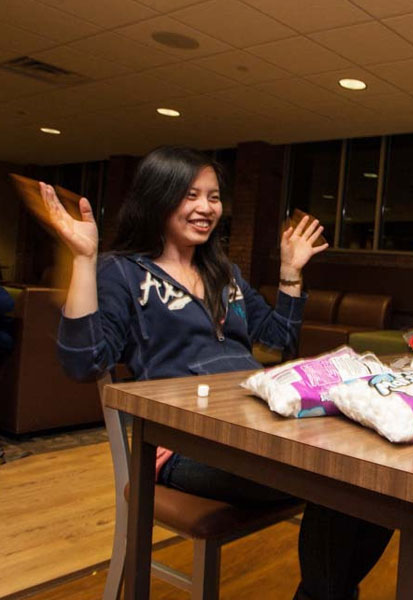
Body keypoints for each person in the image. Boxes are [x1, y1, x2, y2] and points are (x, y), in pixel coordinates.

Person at [42, 146, 392, 600]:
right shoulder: (122, 273)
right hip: (181, 445)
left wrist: (290, 272)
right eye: (191, 195)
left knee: (382, 472)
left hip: (257, 426)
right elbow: (82, 360)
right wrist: (85, 260)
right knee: (340, 475)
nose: (207, 208)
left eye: (213, 196)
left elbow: (277, 340)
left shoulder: (224, 272)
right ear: (158, 197)